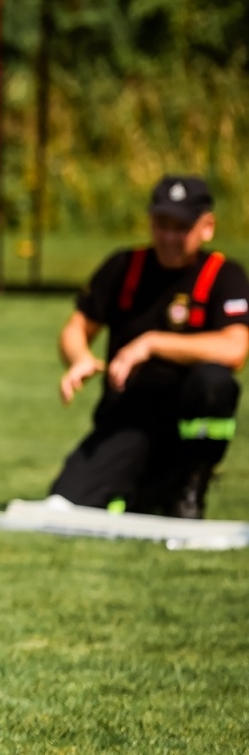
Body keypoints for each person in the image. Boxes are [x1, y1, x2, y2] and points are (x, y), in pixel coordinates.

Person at [50, 175, 248, 518]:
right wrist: (79, 357)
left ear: (206, 227)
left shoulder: (224, 275)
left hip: (185, 417)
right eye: (162, 225)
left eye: (181, 228)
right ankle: (141, 487)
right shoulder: (124, 267)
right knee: (66, 502)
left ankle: (191, 483)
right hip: (129, 416)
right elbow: (77, 327)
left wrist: (152, 344)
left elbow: (235, 350)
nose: (169, 238)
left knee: (215, 383)